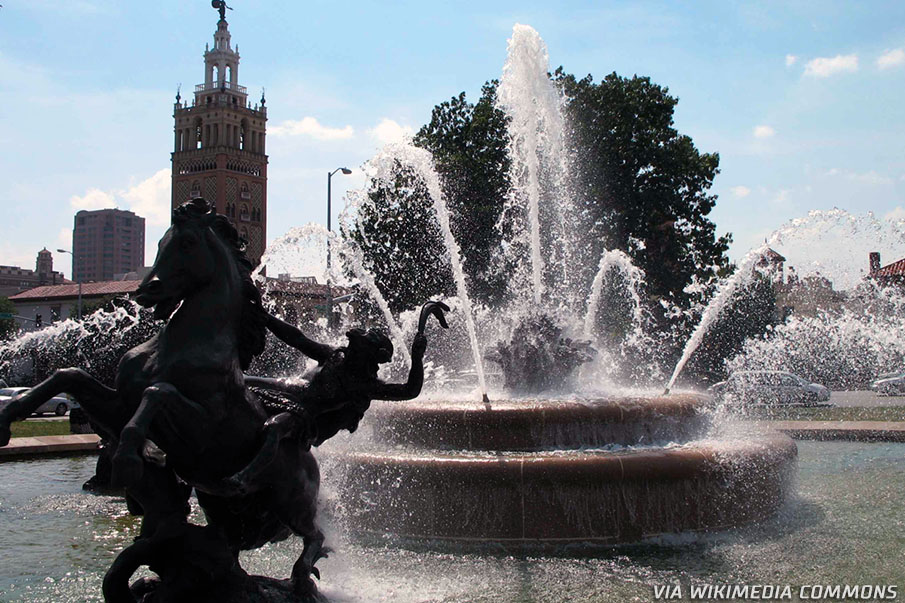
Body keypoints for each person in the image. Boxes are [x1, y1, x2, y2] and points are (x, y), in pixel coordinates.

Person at [226, 301, 447, 492]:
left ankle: (242, 479)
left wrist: (417, 358)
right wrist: (265, 317)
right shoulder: (335, 355)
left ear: (369, 355)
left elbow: (409, 391)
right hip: (289, 388)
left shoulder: (364, 385)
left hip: (303, 415)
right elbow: (298, 339)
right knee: (237, 380)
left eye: (359, 344)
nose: (351, 344)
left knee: (274, 428)